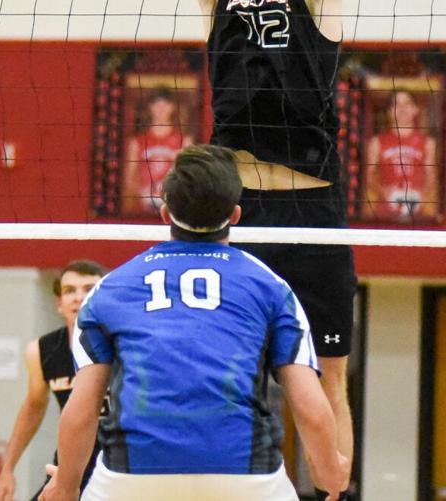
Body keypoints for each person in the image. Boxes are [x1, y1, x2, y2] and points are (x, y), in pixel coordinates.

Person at [110, 0, 357, 491]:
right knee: (240, 367)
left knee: (328, 377)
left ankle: (332, 489)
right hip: (238, 210)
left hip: (313, 208)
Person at [39, 144, 350, 501]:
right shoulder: (271, 288)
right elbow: (309, 405)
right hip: (245, 477)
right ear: (235, 215)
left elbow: (83, 409)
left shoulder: (112, 289)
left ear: (165, 212)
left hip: (133, 476)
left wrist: (66, 487)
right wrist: (330, 471)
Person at [0, 260, 106, 501]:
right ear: (59, 303)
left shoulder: (122, 345)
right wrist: (7, 469)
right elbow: (34, 406)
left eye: (89, 289)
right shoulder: (41, 351)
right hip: (70, 465)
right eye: (69, 291)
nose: (78, 297)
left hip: (115, 463)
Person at [365, 89, 438, 221]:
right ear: (389, 111)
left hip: (418, 215)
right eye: (396, 104)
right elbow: (369, 176)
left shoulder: (428, 143)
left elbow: (431, 177)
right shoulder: (376, 142)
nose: (402, 109)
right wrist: (384, 191)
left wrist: (421, 196)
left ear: (415, 109)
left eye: (407, 104)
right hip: (385, 214)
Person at [124, 90, 192, 213]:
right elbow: (129, 177)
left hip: (173, 206)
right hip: (144, 207)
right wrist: (141, 193)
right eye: (157, 105)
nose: (161, 109)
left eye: (165, 105)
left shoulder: (184, 141)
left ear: (173, 107)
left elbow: (188, 178)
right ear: (150, 107)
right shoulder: (137, 141)